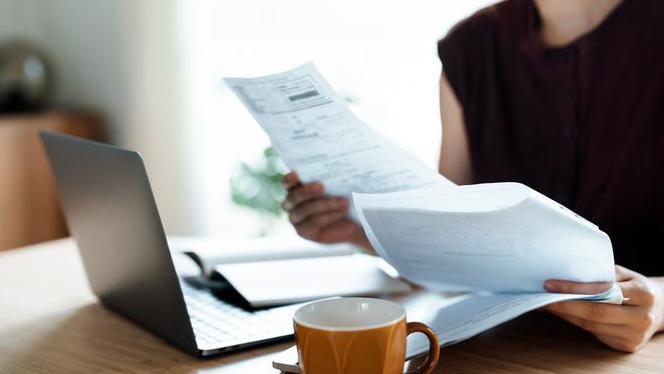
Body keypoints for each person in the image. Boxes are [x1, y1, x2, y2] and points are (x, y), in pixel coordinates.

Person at [280, 0, 664, 352]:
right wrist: (354, 230)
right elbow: (457, 244)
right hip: (504, 345)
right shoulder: (471, 47)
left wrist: (660, 305)